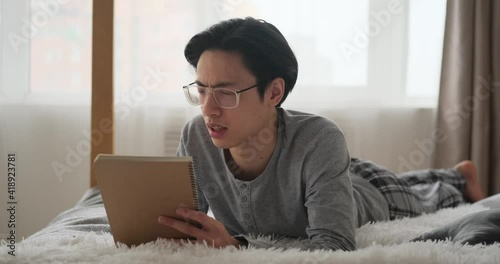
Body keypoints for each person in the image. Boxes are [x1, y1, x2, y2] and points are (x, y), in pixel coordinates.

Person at [157, 17, 486, 251]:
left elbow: (336, 245)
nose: (208, 109)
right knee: (377, 174)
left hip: (368, 192)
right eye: (201, 90)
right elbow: (184, 217)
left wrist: (237, 246)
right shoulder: (197, 135)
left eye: (226, 94)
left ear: (273, 92)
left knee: (419, 197)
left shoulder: (319, 138)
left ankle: (457, 178)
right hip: (329, 171)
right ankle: (454, 173)